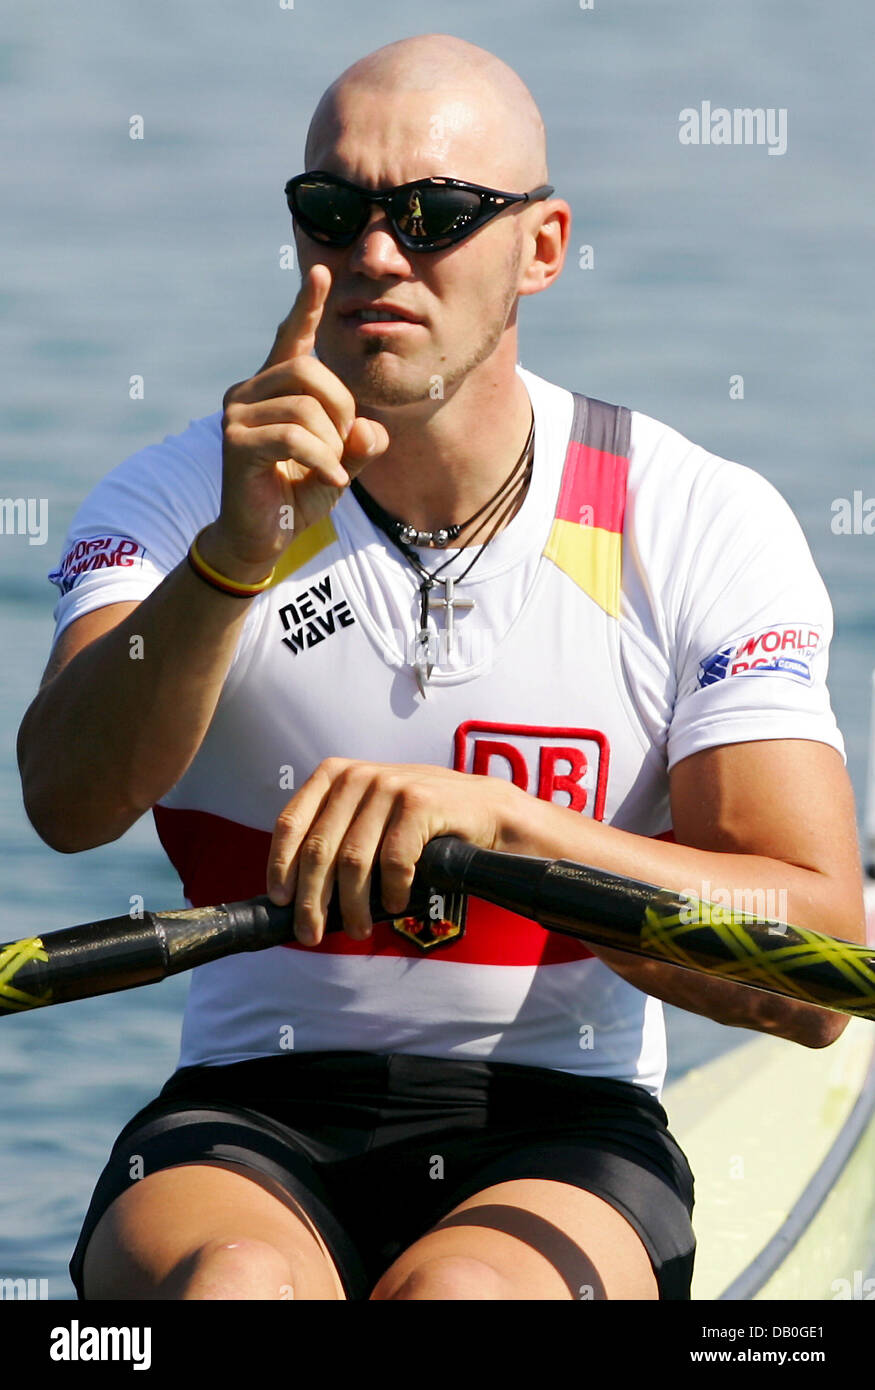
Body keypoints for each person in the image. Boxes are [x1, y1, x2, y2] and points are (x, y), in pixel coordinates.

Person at [18, 34, 865, 1302]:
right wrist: (231, 565)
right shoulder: (188, 492)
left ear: (542, 246)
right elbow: (68, 802)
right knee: (233, 1286)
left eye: (432, 216)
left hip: (561, 1126)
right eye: (334, 211)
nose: (373, 253)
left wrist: (514, 831)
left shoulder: (692, 519)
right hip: (248, 1119)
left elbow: (815, 973)